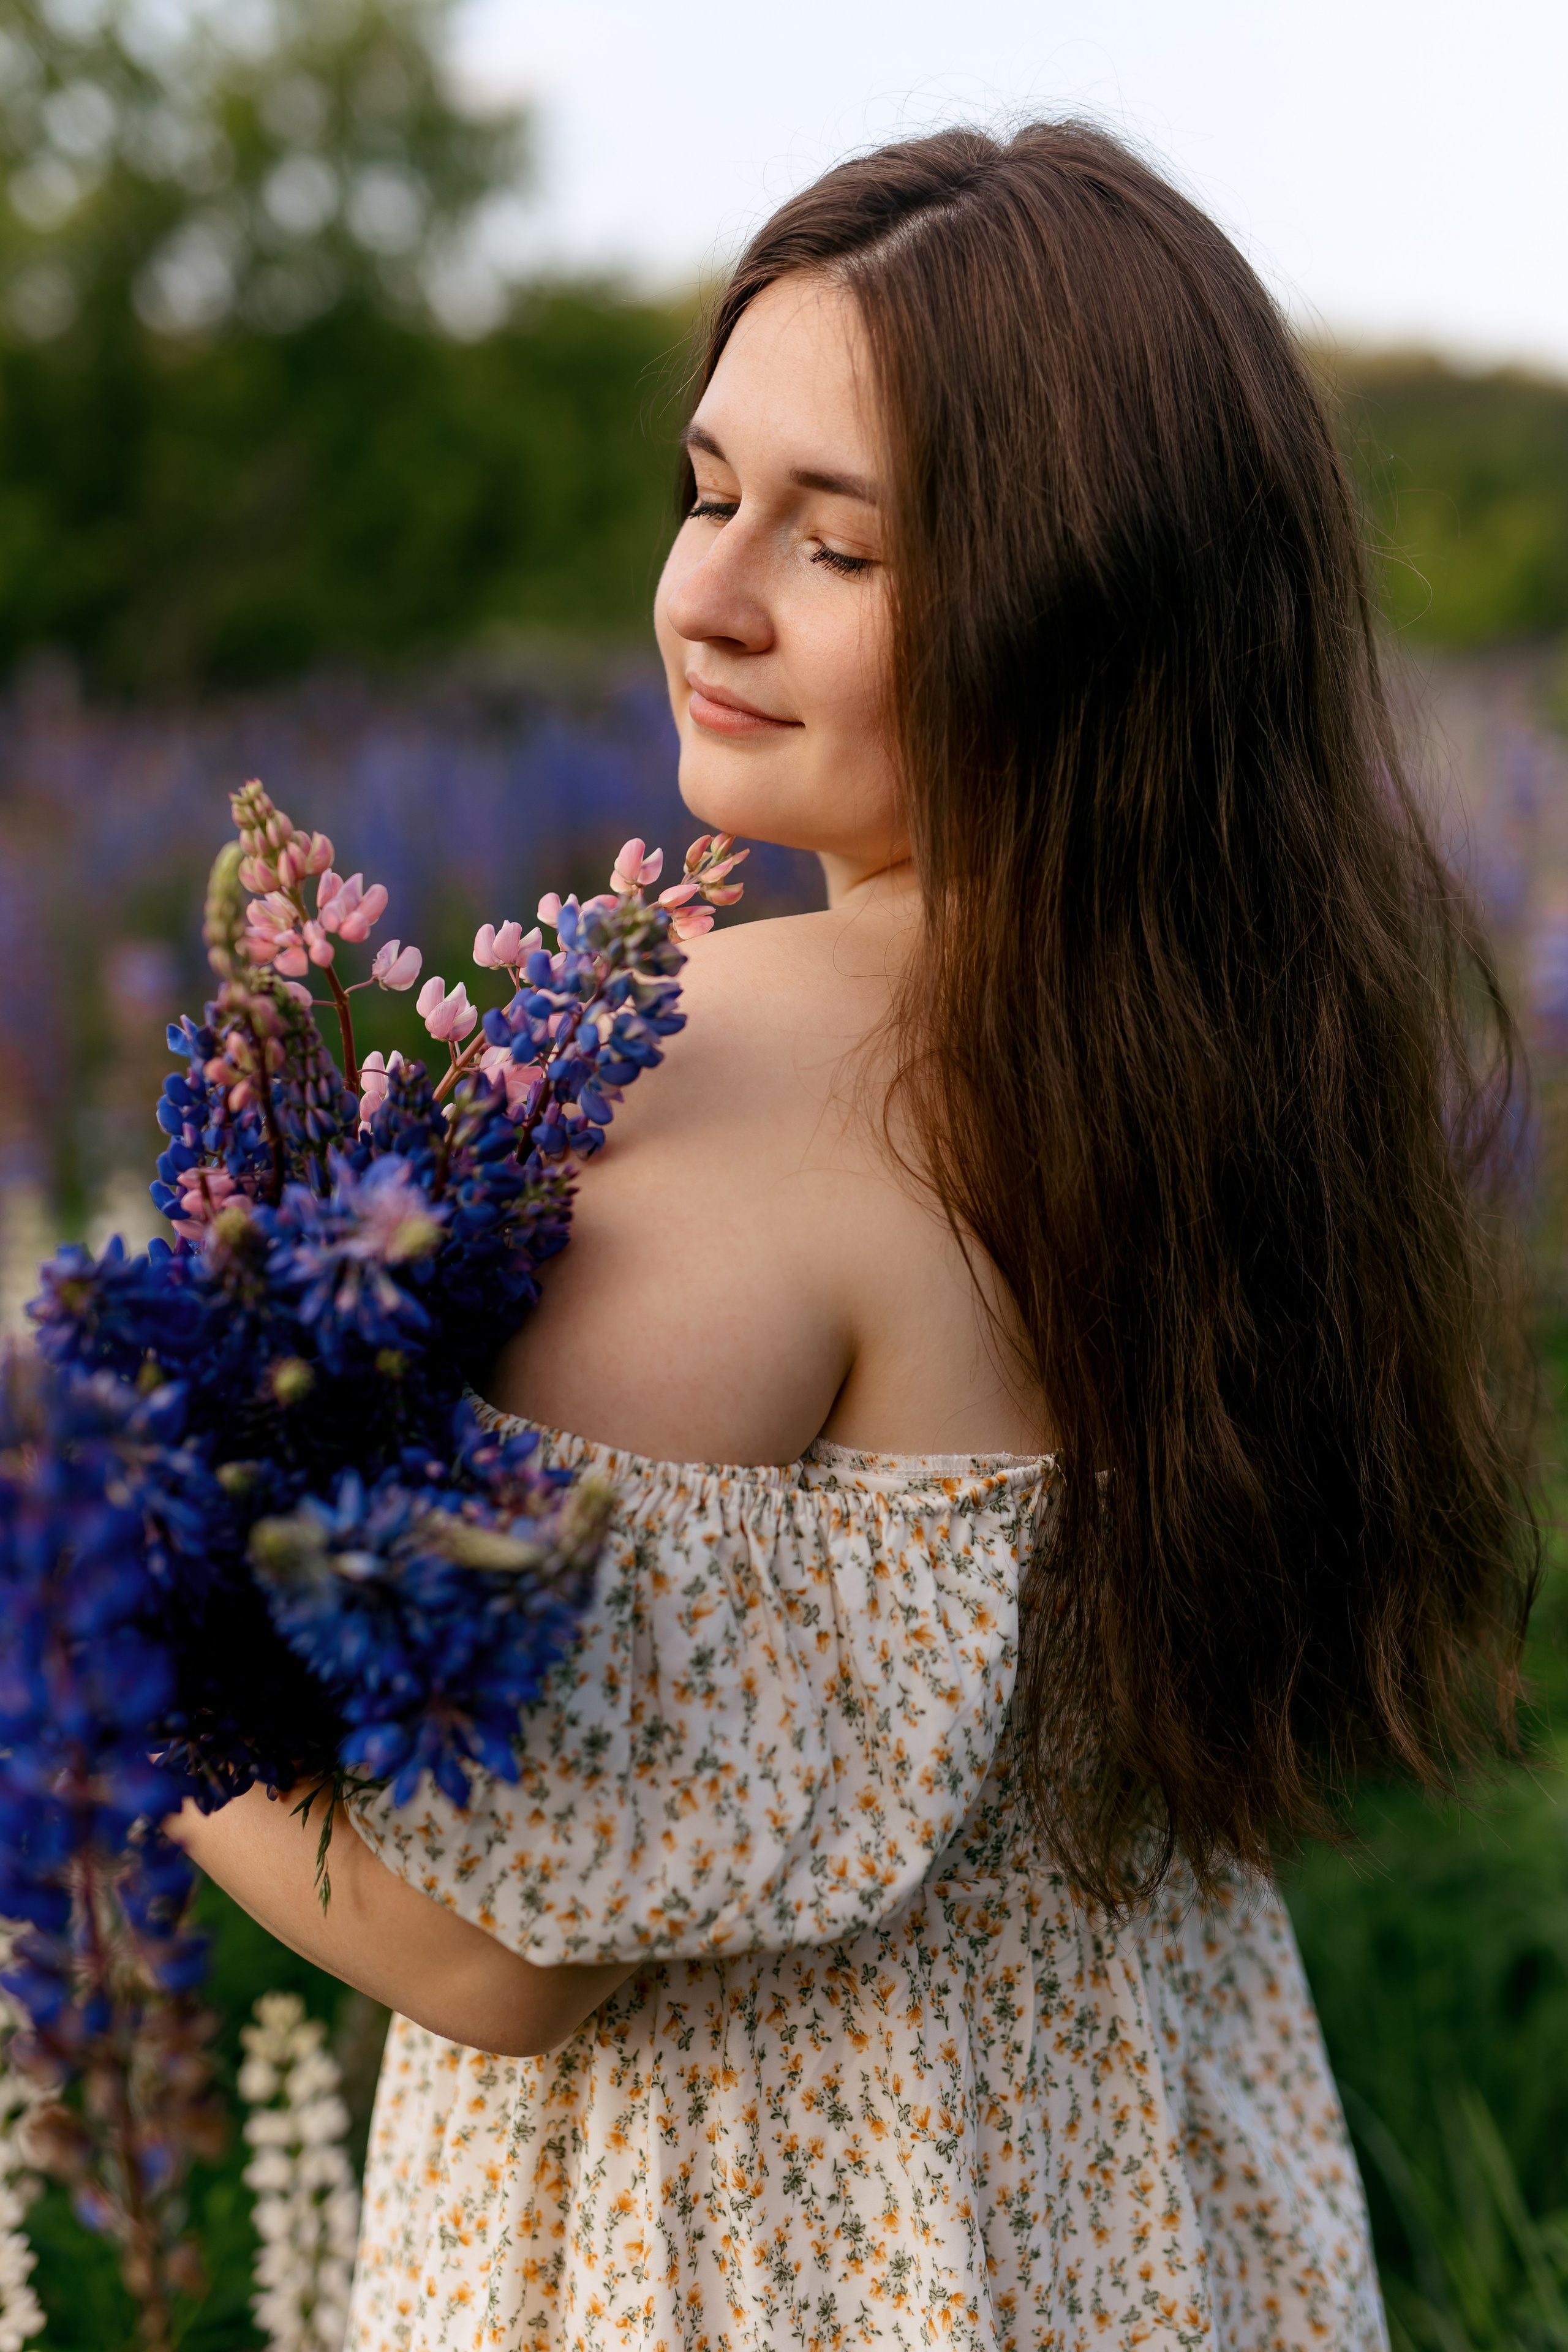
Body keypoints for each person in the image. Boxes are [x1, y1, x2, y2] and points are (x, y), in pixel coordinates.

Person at [174, 122, 1535, 2351]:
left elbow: (500, 1937)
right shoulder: (1235, 1053)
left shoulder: (719, 1053)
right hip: (1140, 2213)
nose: (709, 595)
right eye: (712, 492)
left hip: (744, 2251)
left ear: (1072, 608)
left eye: (840, 546)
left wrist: (79, 1607)